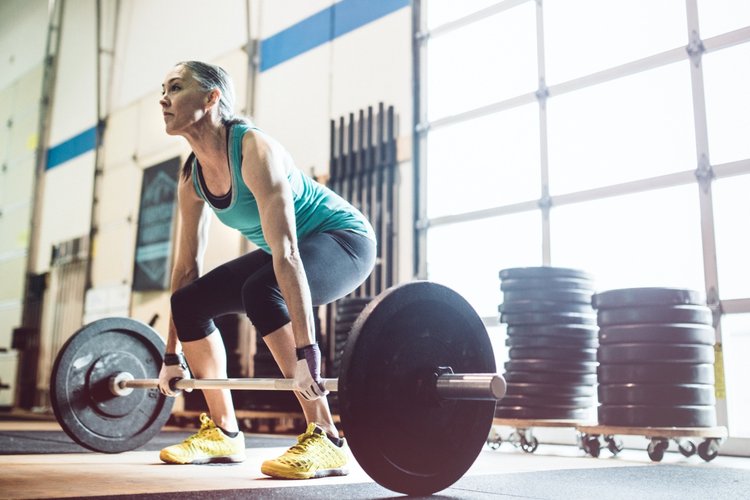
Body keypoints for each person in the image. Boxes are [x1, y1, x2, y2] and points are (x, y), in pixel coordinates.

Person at [156, 60, 376, 479]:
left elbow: (288, 251)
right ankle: (224, 431)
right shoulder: (192, 178)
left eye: (176, 88)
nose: (163, 99)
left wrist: (307, 353)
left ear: (211, 98)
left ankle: (327, 435)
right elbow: (186, 268)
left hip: (344, 241)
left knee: (261, 290)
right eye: (162, 90)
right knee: (188, 302)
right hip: (286, 250)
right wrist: (172, 354)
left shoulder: (254, 150)